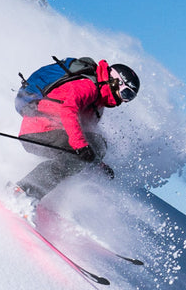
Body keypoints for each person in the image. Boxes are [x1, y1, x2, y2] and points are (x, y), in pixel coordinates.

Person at [15, 57, 139, 201]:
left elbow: (85, 133)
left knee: (96, 144)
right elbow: (68, 111)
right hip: (38, 130)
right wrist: (81, 147)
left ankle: (31, 192)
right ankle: (25, 191)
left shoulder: (98, 105)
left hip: (51, 132)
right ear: (115, 81)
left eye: (130, 98)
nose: (124, 101)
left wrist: (97, 163)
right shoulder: (88, 86)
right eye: (126, 94)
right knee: (79, 154)